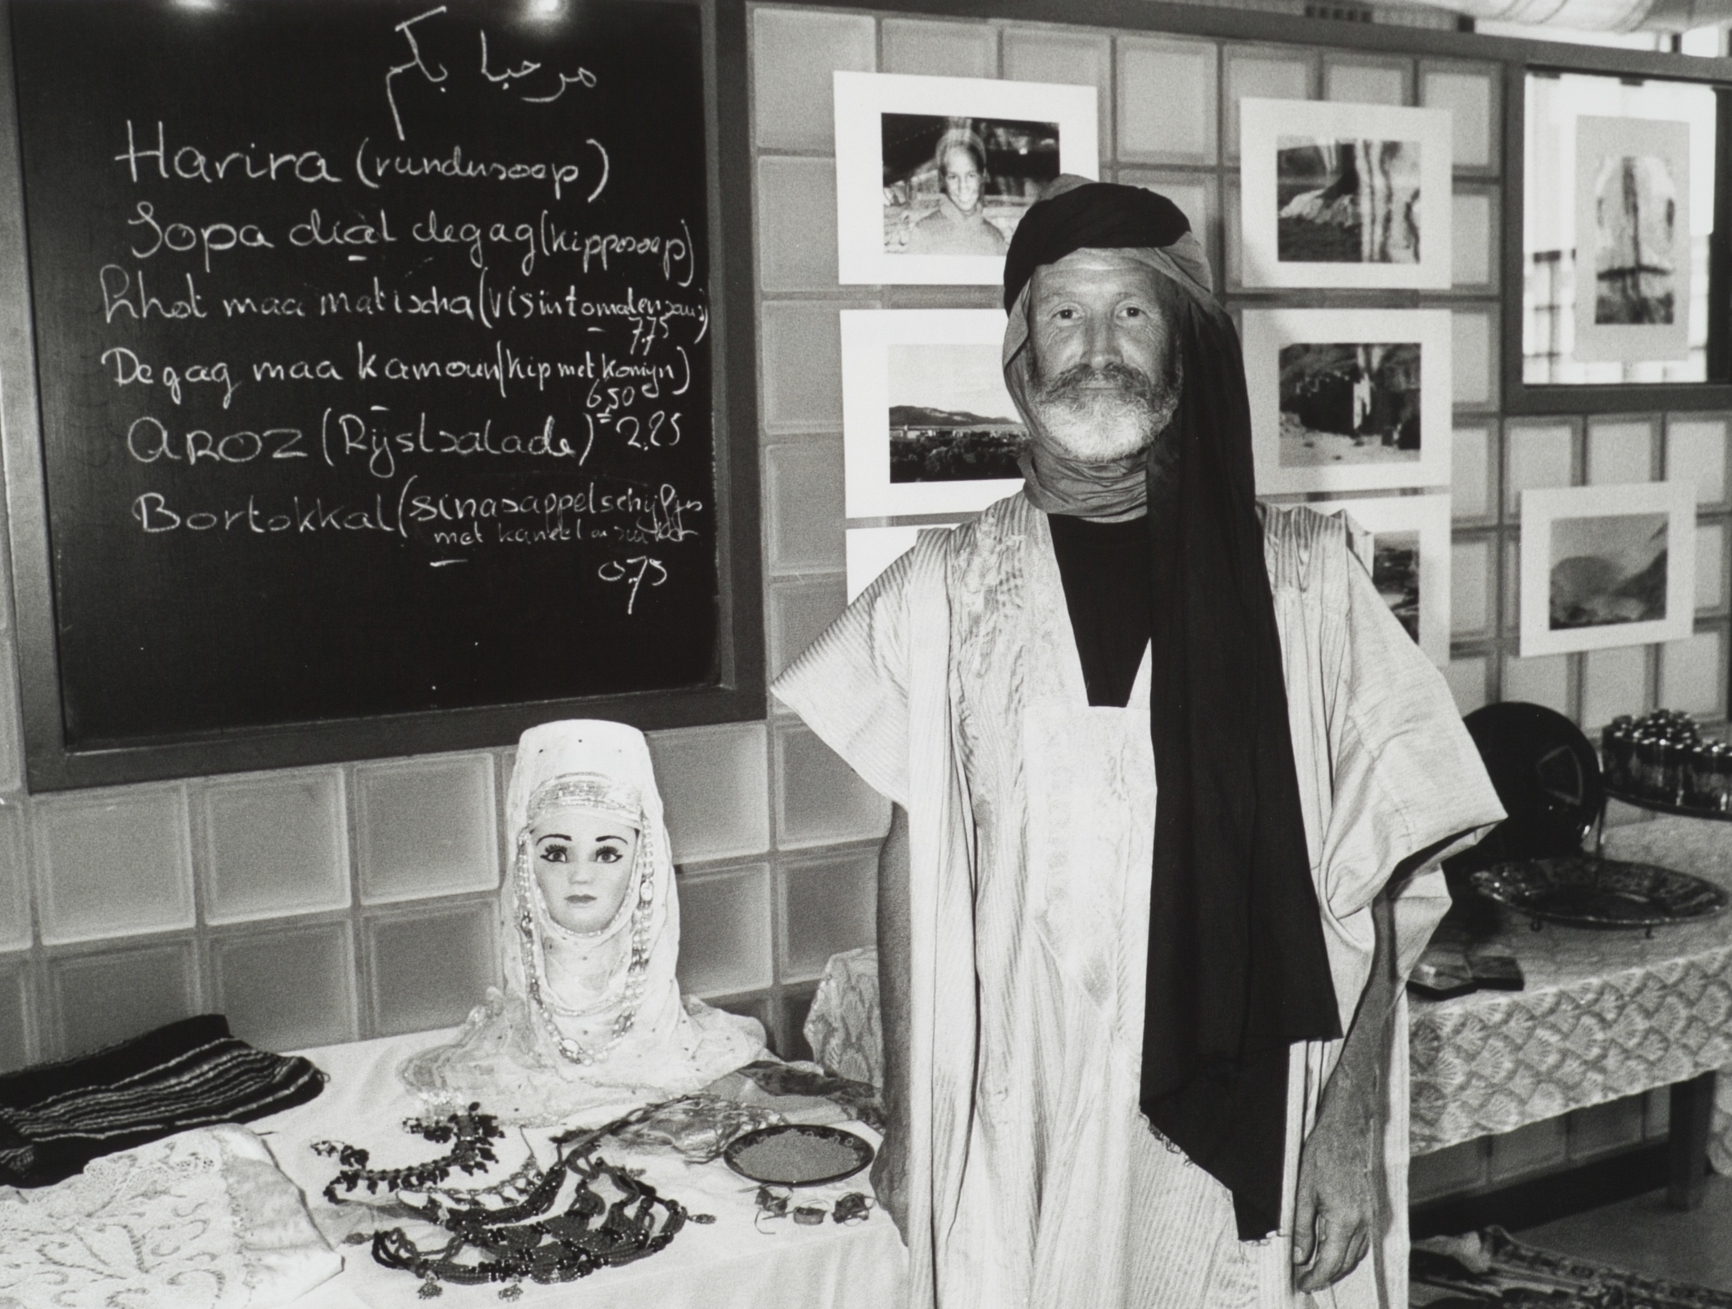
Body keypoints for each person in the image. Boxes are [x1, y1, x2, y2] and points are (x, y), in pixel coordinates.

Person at [775, 178, 1505, 1308]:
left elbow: (1394, 873)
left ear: (1183, 343)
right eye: (1065, 314)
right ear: (1021, 348)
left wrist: (1350, 1118)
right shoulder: (944, 591)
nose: (1098, 349)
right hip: (1019, 1102)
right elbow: (911, 854)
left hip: (1256, 1108)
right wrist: (916, 1119)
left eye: (1131, 312)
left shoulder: (1305, 582)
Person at [399, 719, 766, 1126]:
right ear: (527, 863)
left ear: (643, 863)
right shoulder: (518, 1040)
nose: (580, 876)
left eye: (607, 854)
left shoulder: (665, 1035)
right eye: (556, 853)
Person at [903, 125, 1008, 257]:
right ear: (942, 180)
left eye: (971, 175)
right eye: (953, 177)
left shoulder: (995, 238)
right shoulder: (923, 232)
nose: (962, 186)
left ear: (983, 175)